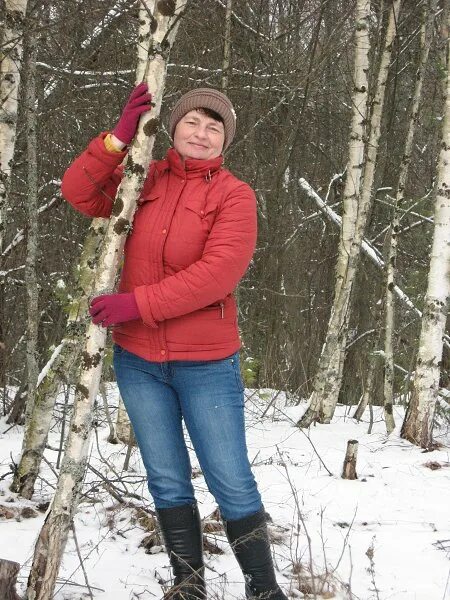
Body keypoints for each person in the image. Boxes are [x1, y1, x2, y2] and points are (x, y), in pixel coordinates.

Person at [61, 84, 287, 600]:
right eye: (193, 123)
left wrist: (135, 304)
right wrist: (116, 142)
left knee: (230, 479)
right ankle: (188, 586)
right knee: (166, 478)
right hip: (138, 360)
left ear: (225, 140)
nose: (202, 134)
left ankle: (264, 588)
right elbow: (78, 191)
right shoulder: (143, 176)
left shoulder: (234, 194)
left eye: (214, 127)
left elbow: (217, 274)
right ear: (174, 126)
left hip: (205, 362)